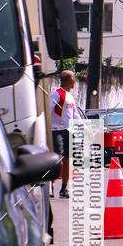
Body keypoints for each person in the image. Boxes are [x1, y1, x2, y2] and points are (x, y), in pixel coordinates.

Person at [49, 70, 79, 198]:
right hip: (57, 130)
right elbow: (48, 110)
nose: (75, 81)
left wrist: (86, 127)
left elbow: (75, 114)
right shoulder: (56, 94)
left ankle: (64, 188)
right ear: (69, 80)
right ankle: (50, 187)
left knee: (67, 160)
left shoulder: (70, 96)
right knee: (57, 159)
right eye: (74, 79)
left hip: (68, 130)